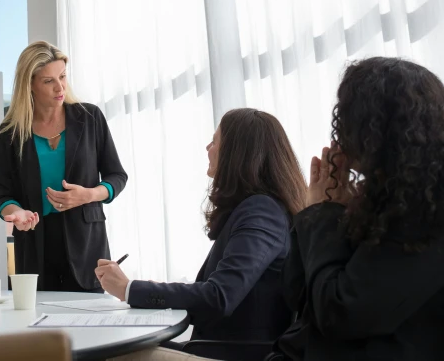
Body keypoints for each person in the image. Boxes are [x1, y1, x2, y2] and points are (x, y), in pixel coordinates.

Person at [275, 57, 444, 361]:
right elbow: (299, 297)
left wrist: (322, 214)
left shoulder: (427, 209)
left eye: (349, 117)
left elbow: (341, 312)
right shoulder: (382, 198)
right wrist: (318, 212)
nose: (341, 132)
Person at [97, 108, 306, 346]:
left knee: (114, 350)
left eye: (215, 141)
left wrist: (129, 289)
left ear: (237, 153)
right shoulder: (258, 209)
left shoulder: (262, 211)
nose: (208, 148)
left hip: (230, 354)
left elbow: (219, 296)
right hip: (217, 348)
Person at [0, 41, 128, 292]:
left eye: (63, 76)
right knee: (41, 325)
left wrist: (89, 195)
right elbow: (3, 194)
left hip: (87, 243)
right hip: (35, 244)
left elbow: (117, 175)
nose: (60, 87)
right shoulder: (9, 133)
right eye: (48, 81)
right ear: (30, 84)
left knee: (93, 325)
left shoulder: (90, 118)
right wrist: (18, 213)